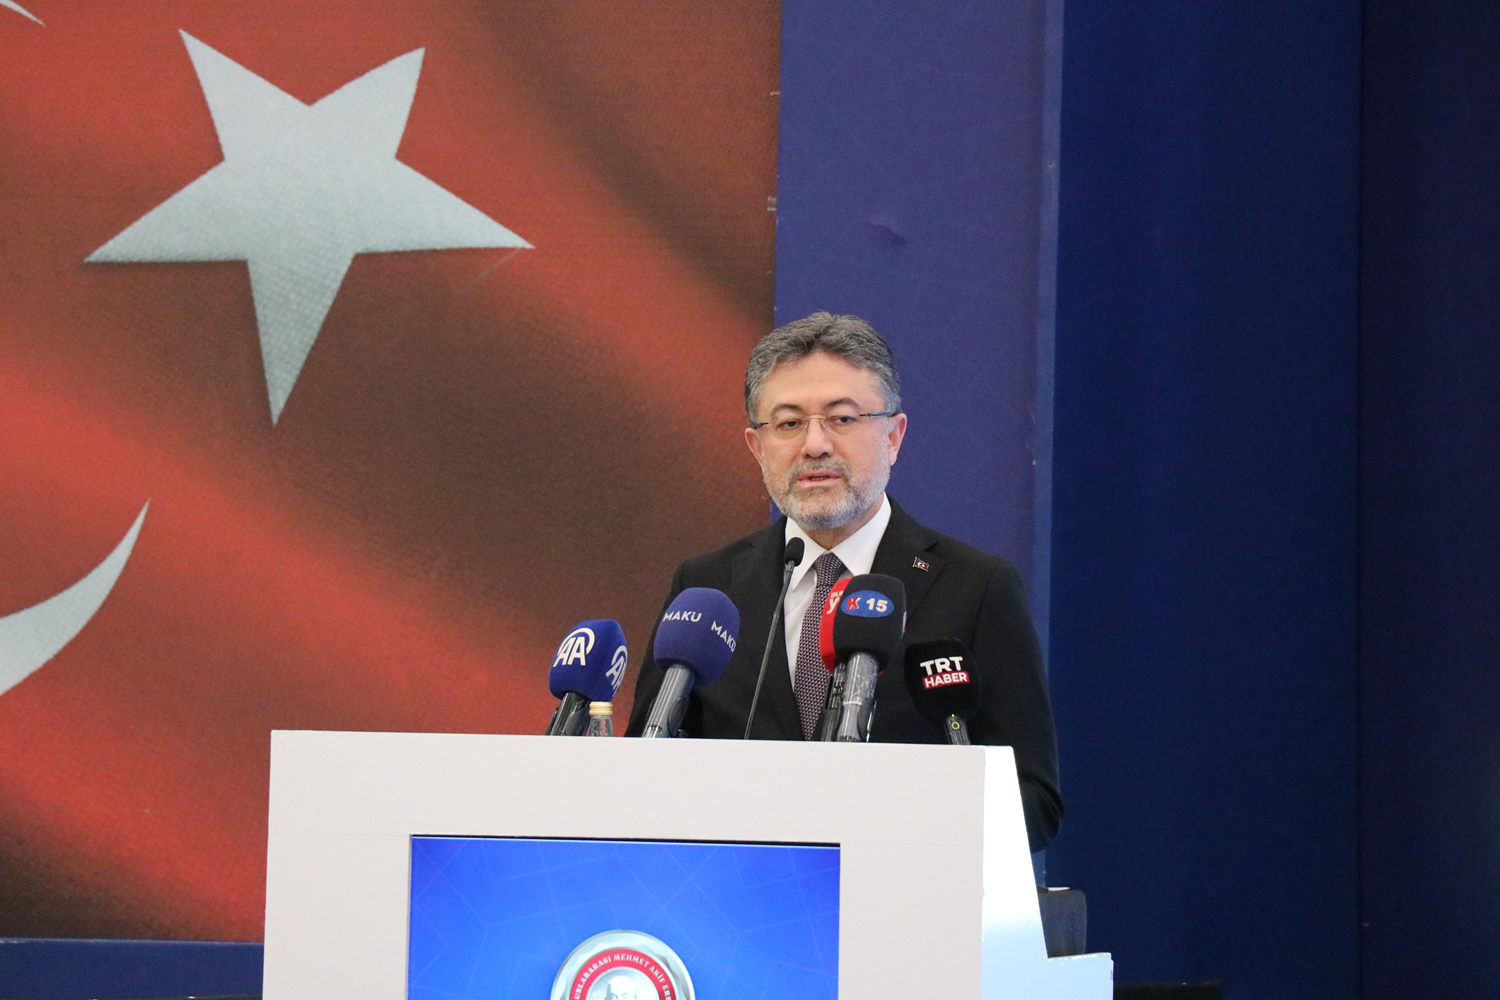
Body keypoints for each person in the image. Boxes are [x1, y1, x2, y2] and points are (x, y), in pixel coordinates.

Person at [624, 312, 1062, 850]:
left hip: (902, 890)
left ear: (894, 436)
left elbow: (1034, 802)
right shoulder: (709, 587)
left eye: (842, 419)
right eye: (788, 424)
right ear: (756, 446)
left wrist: (885, 820)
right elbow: (641, 780)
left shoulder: (975, 587)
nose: (815, 445)